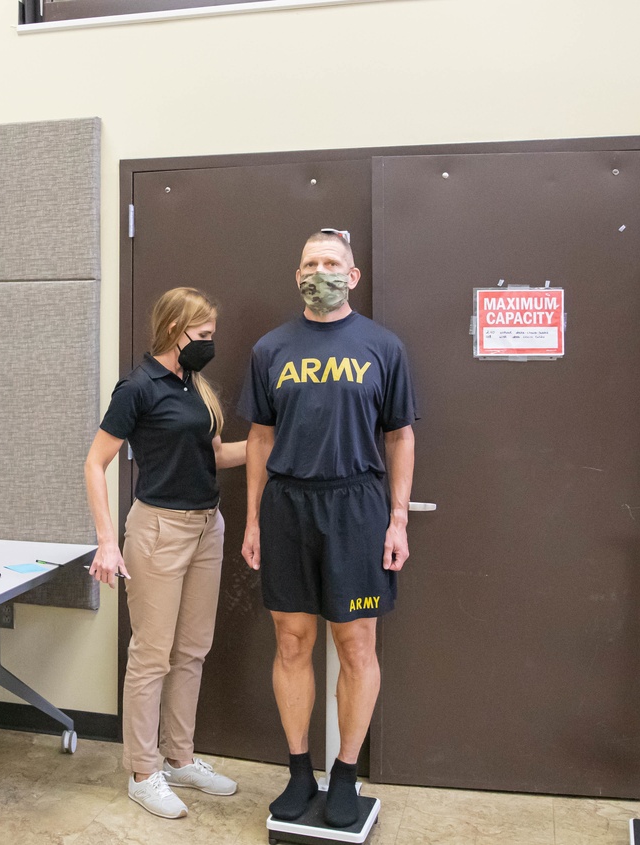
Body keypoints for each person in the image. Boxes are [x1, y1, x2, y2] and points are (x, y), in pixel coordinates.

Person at [239, 229, 416, 829]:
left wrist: (398, 519)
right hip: (288, 505)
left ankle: (345, 773)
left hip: (357, 507)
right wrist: (254, 517)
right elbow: (260, 438)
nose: (322, 271)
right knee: (292, 642)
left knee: (356, 644)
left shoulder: (382, 345)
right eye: (311, 263)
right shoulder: (270, 348)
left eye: (332, 263)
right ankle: (298, 772)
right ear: (297, 276)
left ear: (353, 275)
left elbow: (400, 435)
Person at [84, 287, 247, 820]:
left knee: (192, 650)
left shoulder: (194, 386)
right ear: (175, 329)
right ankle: (142, 771)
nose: (209, 344)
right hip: (157, 531)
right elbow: (94, 464)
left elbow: (216, 454)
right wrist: (108, 541)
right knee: (151, 655)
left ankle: (179, 758)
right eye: (202, 336)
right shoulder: (137, 387)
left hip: (207, 528)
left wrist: (273, 439)